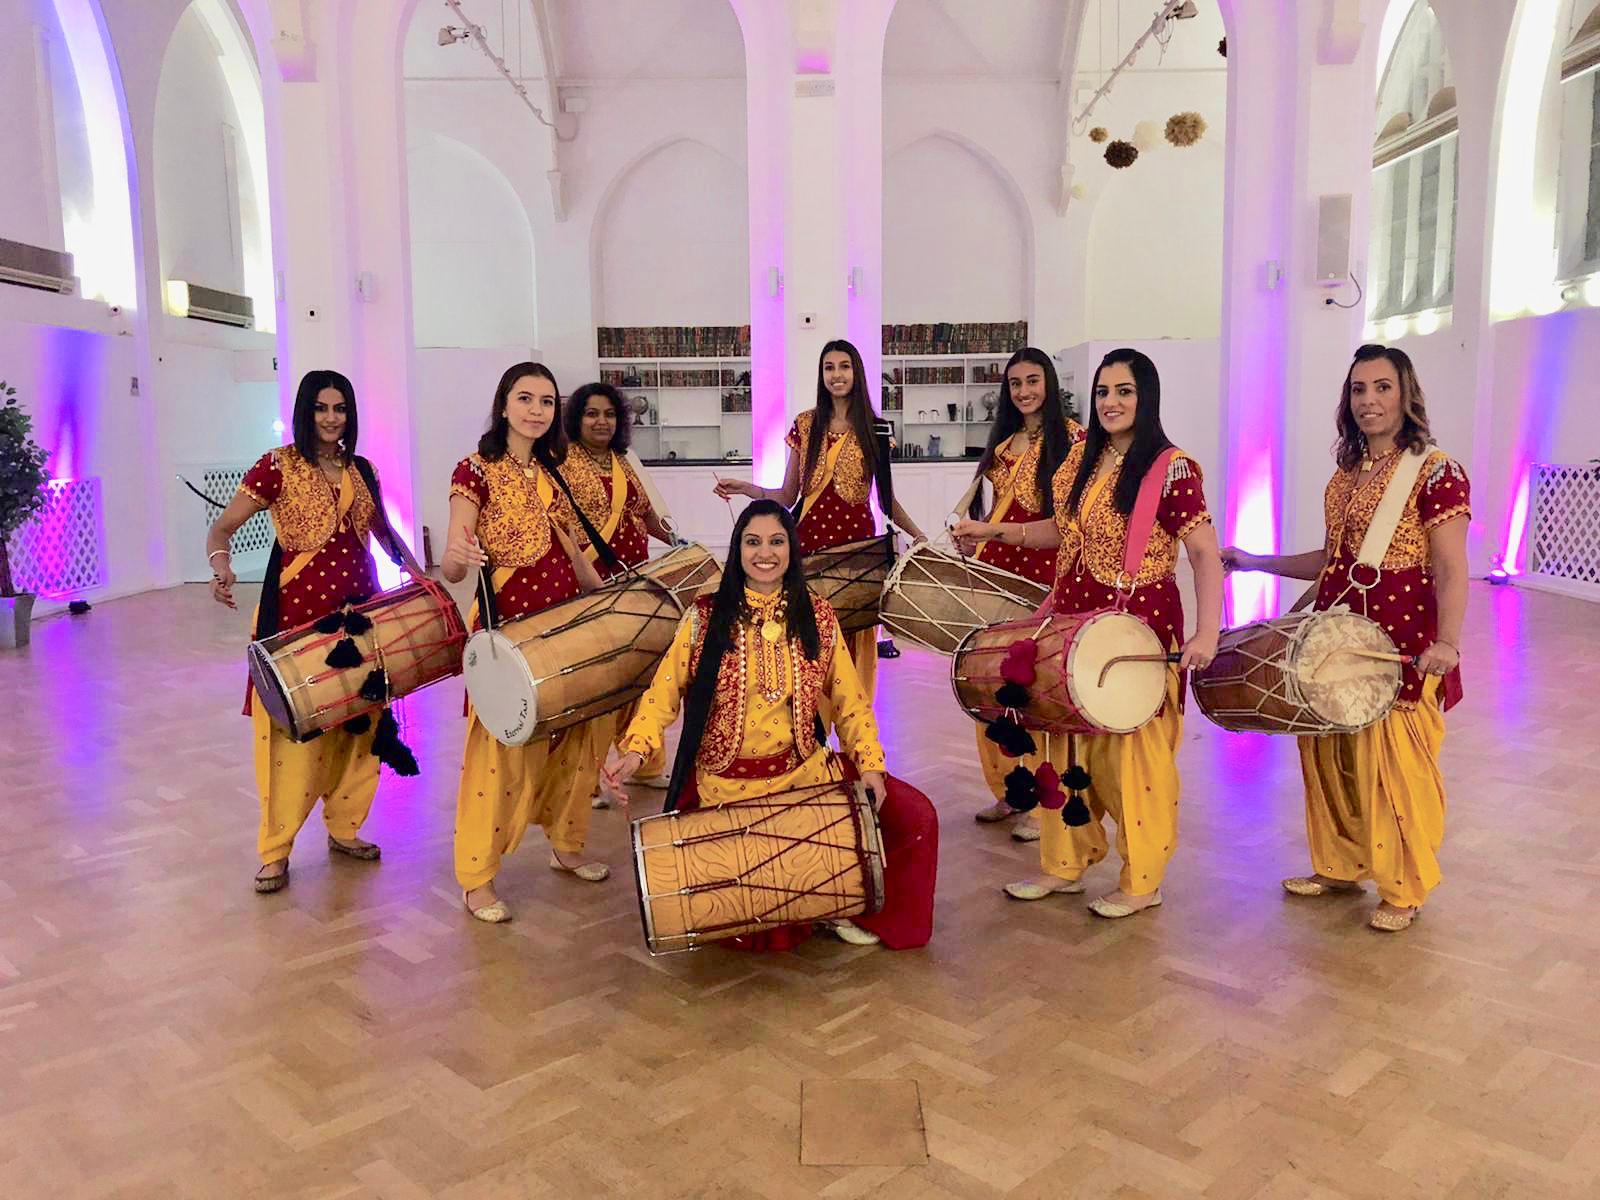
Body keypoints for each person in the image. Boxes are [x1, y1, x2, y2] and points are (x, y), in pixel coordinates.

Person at [953, 348, 1222, 918]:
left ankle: (1143, 879)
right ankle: (1065, 866)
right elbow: (1060, 531)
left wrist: (1207, 634)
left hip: (1136, 632)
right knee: (1063, 745)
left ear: (1145, 398)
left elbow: (1202, 553)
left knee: (1132, 761)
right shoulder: (1080, 460)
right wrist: (995, 531)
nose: (1112, 402)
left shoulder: (1172, 468)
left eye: (1124, 391)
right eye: (1103, 392)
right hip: (1071, 624)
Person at [608, 500, 938, 950]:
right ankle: (824, 898)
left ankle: (852, 904)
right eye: (753, 541)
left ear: (792, 549)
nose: (765, 552)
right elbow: (662, 693)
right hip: (727, 790)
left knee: (915, 815)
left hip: (805, 779)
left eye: (777, 541)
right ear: (738, 550)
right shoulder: (705, 617)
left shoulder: (817, 615)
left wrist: (872, 765)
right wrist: (635, 751)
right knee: (751, 927)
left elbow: (850, 700)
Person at [1221, 344, 1469, 932]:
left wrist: (1450, 643)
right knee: (1330, 754)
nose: (1369, 401)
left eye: (1382, 388)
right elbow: (1334, 561)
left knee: (1394, 763)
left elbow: (1452, 567)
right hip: (1334, 633)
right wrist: (1260, 563)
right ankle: (1339, 864)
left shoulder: (1437, 470)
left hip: (1400, 636)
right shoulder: (1345, 477)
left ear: (1406, 395)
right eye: (1358, 390)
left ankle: (1404, 886)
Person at [207, 369, 423, 894]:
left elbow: (383, 534)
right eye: (322, 408)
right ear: (306, 411)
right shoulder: (277, 466)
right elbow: (222, 527)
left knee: (362, 726)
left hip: (360, 615)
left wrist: (420, 580)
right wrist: (221, 566)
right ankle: (276, 851)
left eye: (340, 409)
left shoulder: (362, 470)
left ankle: (345, 828)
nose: (331, 418)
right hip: (297, 621)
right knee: (294, 736)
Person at [443, 363, 607, 923]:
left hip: (561, 621)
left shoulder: (553, 472)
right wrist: (458, 558)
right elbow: (452, 563)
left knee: (574, 739)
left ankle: (566, 845)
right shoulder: (474, 471)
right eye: (525, 398)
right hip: (504, 622)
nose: (536, 410)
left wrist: (611, 598)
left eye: (546, 401)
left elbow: (574, 551)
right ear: (504, 404)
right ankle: (477, 878)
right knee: (499, 754)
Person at [713, 339, 927, 700]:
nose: (837, 375)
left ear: (856, 372)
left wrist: (918, 535)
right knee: (810, 639)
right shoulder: (806, 424)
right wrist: (745, 487)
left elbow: (885, 499)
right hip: (809, 545)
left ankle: (855, 731)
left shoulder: (875, 429)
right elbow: (786, 496)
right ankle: (810, 731)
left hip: (858, 551)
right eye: (829, 367)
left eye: (844, 366)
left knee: (853, 640)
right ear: (822, 374)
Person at [955, 348, 1084, 843]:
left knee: (1033, 685)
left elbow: (1072, 519)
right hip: (998, 567)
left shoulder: (1073, 439)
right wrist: (974, 537)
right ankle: (1010, 789)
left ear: (1049, 384)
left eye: (1033, 380)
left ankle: (1041, 799)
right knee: (990, 681)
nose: (1025, 391)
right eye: (1015, 384)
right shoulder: (1003, 443)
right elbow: (995, 513)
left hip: (1046, 570)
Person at [560, 381, 679, 800]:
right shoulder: (561, 465)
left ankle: (644, 762)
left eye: (609, 414)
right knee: (599, 681)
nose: (601, 421)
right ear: (576, 419)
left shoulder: (622, 461)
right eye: (591, 413)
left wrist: (676, 541)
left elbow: (644, 513)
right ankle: (588, 777)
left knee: (639, 673)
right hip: (589, 588)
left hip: (634, 581)